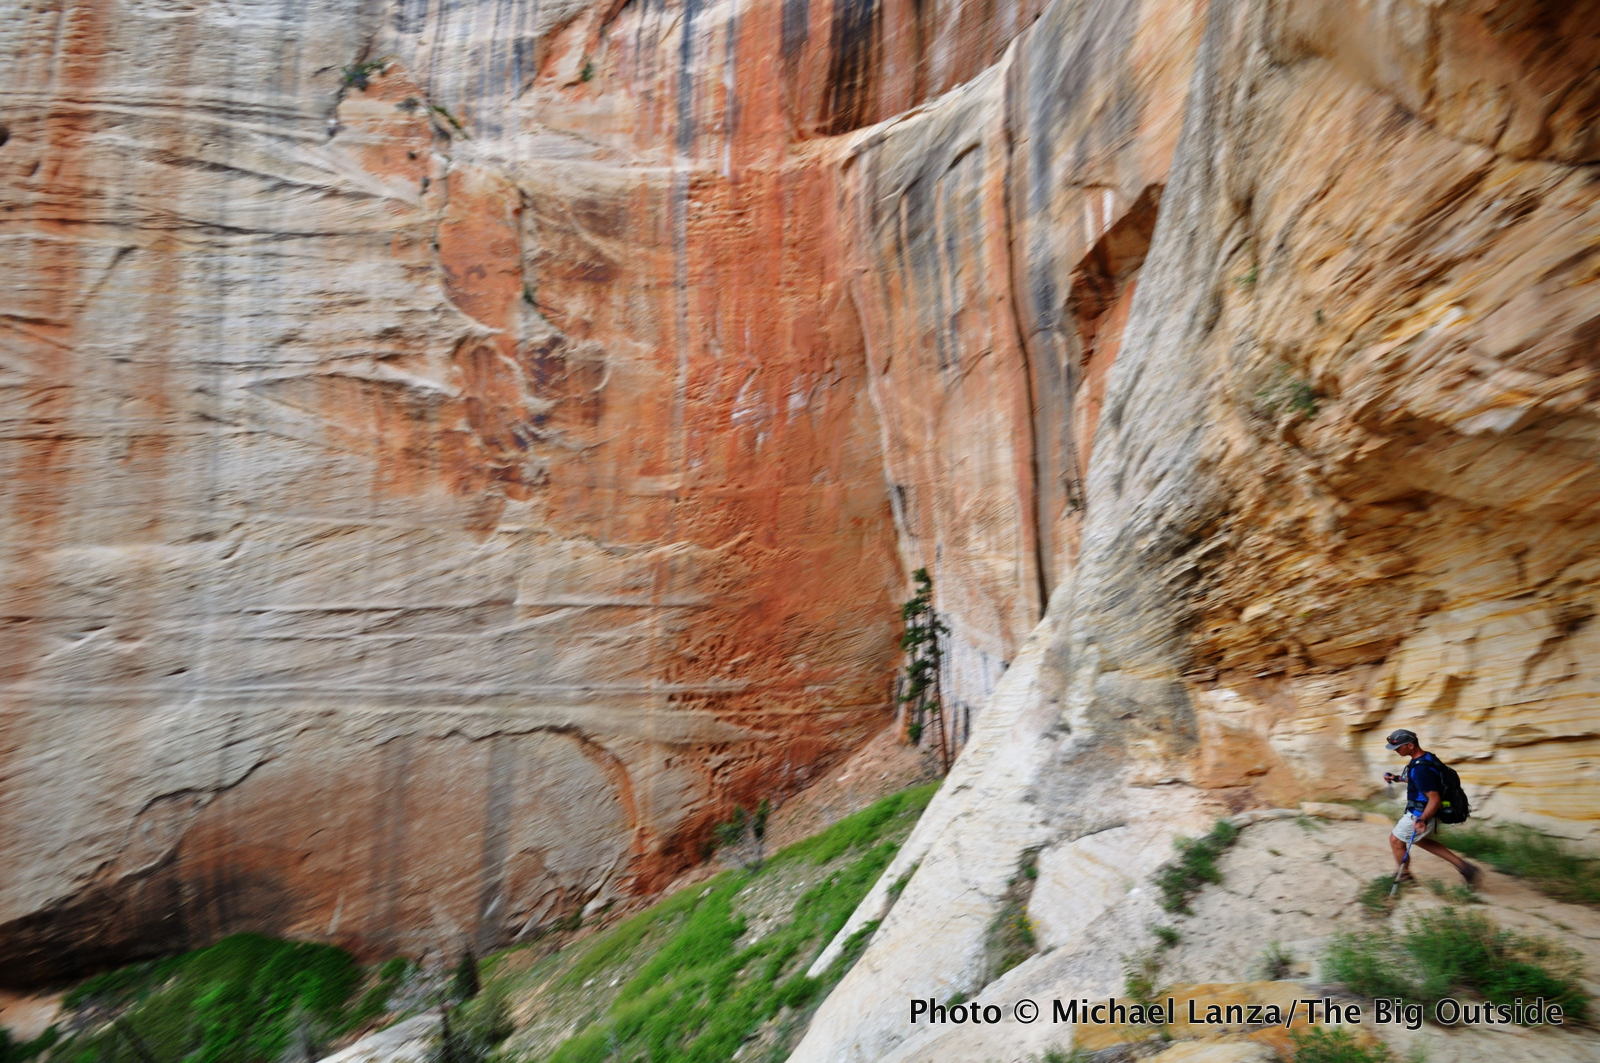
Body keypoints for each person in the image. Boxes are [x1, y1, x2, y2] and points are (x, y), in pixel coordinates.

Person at [1383, 728, 1480, 887]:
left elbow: (1433, 798)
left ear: (1411, 746)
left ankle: (1405, 876)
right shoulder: (1427, 759)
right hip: (1426, 812)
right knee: (1419, 840)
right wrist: (1395, 778)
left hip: (1420, 813)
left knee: (1395, 840)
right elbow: (1418, 781)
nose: (1396, 751)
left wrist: (1422, 819)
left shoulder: (1421, 768)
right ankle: (1465, 867)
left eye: (1398, 747)